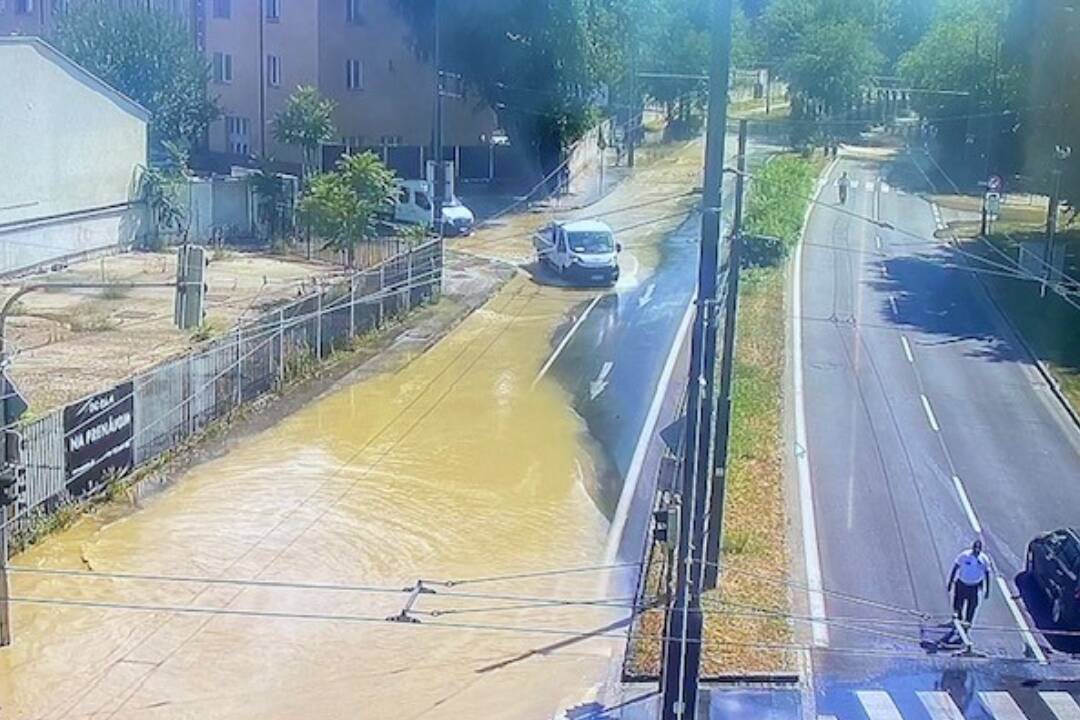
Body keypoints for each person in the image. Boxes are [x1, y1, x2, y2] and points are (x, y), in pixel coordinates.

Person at [947, 538, 994, 631]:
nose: (976, 550)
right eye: (975, 548)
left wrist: (987, 590)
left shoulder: (984, 559)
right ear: (972, 547)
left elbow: (987, 574)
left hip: (974, 587)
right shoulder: (964, 555)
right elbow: (955, 567)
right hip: (962, 584)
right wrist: (950, 582)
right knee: (957, 604)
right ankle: (959, 618)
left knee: (972, 606)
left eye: (978, 548)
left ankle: (968, 623)